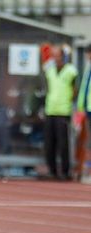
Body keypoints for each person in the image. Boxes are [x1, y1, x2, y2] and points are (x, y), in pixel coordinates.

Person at [44, 45, 78, 180]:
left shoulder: (71, 71)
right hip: (50, 109)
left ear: (63, 55)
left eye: (58, 55)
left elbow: (75, 89)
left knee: (63, 144)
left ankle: (65, 171)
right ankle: (52, 170)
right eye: (54, 55)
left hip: (64, 111)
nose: (56, 57)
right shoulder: (50, 70)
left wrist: (71, 102)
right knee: (49, 143)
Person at [78, 44, 91, 151]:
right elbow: (84, 88)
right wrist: (81, 107)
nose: (87, 57)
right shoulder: (88, 68)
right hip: (88, 108)